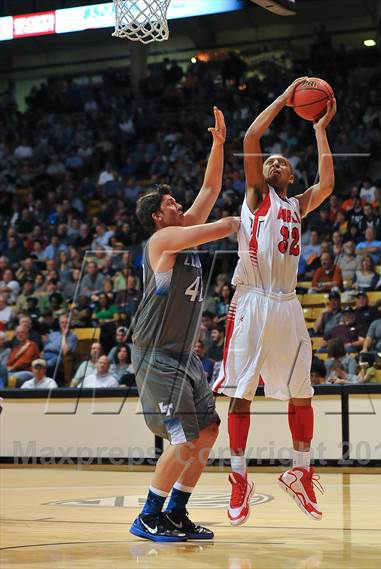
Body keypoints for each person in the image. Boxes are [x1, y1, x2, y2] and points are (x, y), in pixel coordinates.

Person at [213, 78, 336, 523]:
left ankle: (300, 473)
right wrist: (285, 99)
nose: (275, 160)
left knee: (302, 393)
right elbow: (250, 138)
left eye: (283, 161)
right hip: (252, 301)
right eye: (272, 160)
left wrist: (320, 130)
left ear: (289, 176)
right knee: (241, 394)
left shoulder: (297, 205)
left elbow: (327, 182)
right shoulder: (256, 195)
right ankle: (239, 477)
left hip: (287, 304)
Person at [130, 108, 240, 542]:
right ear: (158, 216)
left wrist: (218, 144)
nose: (179, 204)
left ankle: (175, 512)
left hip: (183, 354)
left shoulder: (183, 228)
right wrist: (246, 220)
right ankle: (148, 515)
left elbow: (211, 187)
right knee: (181, 437)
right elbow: (224, 225)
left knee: (209, 431)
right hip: (156, 355)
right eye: (171, 203)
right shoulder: (162, 240)